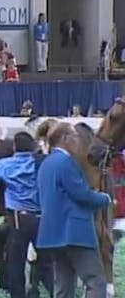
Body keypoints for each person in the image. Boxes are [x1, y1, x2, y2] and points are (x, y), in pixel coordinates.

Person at [36, 122, 111, 297]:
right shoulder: (66, 162)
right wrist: (105, 199)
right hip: (74, 233)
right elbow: (81, 194)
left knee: (64, 285)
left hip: (52, 234)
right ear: (65, 139)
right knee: (96, 281)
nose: (78, 141)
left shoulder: (45, 164)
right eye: (75, 136)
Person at [0, 132, 53, 298]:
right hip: (40, 219)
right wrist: (44, 151)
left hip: (18, 219)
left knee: (16, 263)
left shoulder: (6, 165)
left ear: (14, 147)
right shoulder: (41, 163)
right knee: (47, 263)